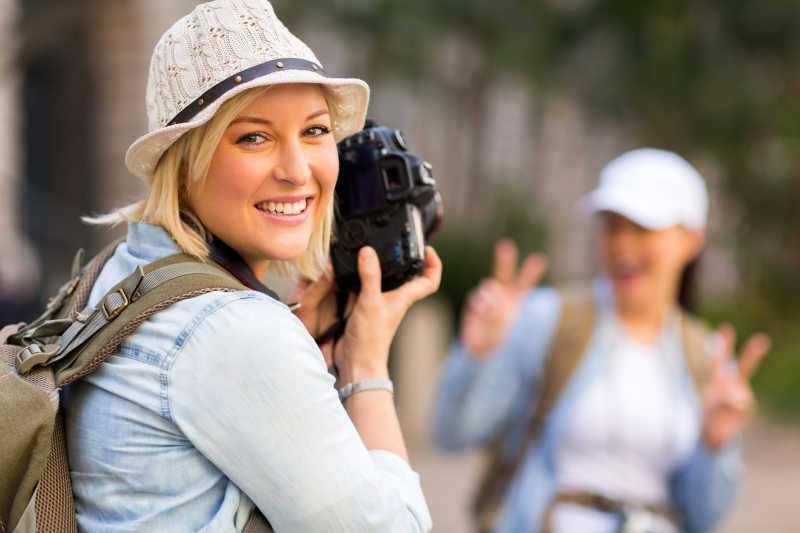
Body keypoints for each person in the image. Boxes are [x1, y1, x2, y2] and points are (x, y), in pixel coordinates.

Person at [61, 2, 440, 531]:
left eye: (315, 131)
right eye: (253, 137)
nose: (296, 170)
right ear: (185, 165)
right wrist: (365, 365)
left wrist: (303, 354)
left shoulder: (119, 272)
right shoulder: (236, 332)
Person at [433, 148, 770, 533]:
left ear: (691, 240)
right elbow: (452, 434)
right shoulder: (547, 319)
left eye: (642, 228)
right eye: (612, 225)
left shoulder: (708, 356)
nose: (623, 246)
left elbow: (704, 517)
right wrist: (480, 356)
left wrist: (715, 445)